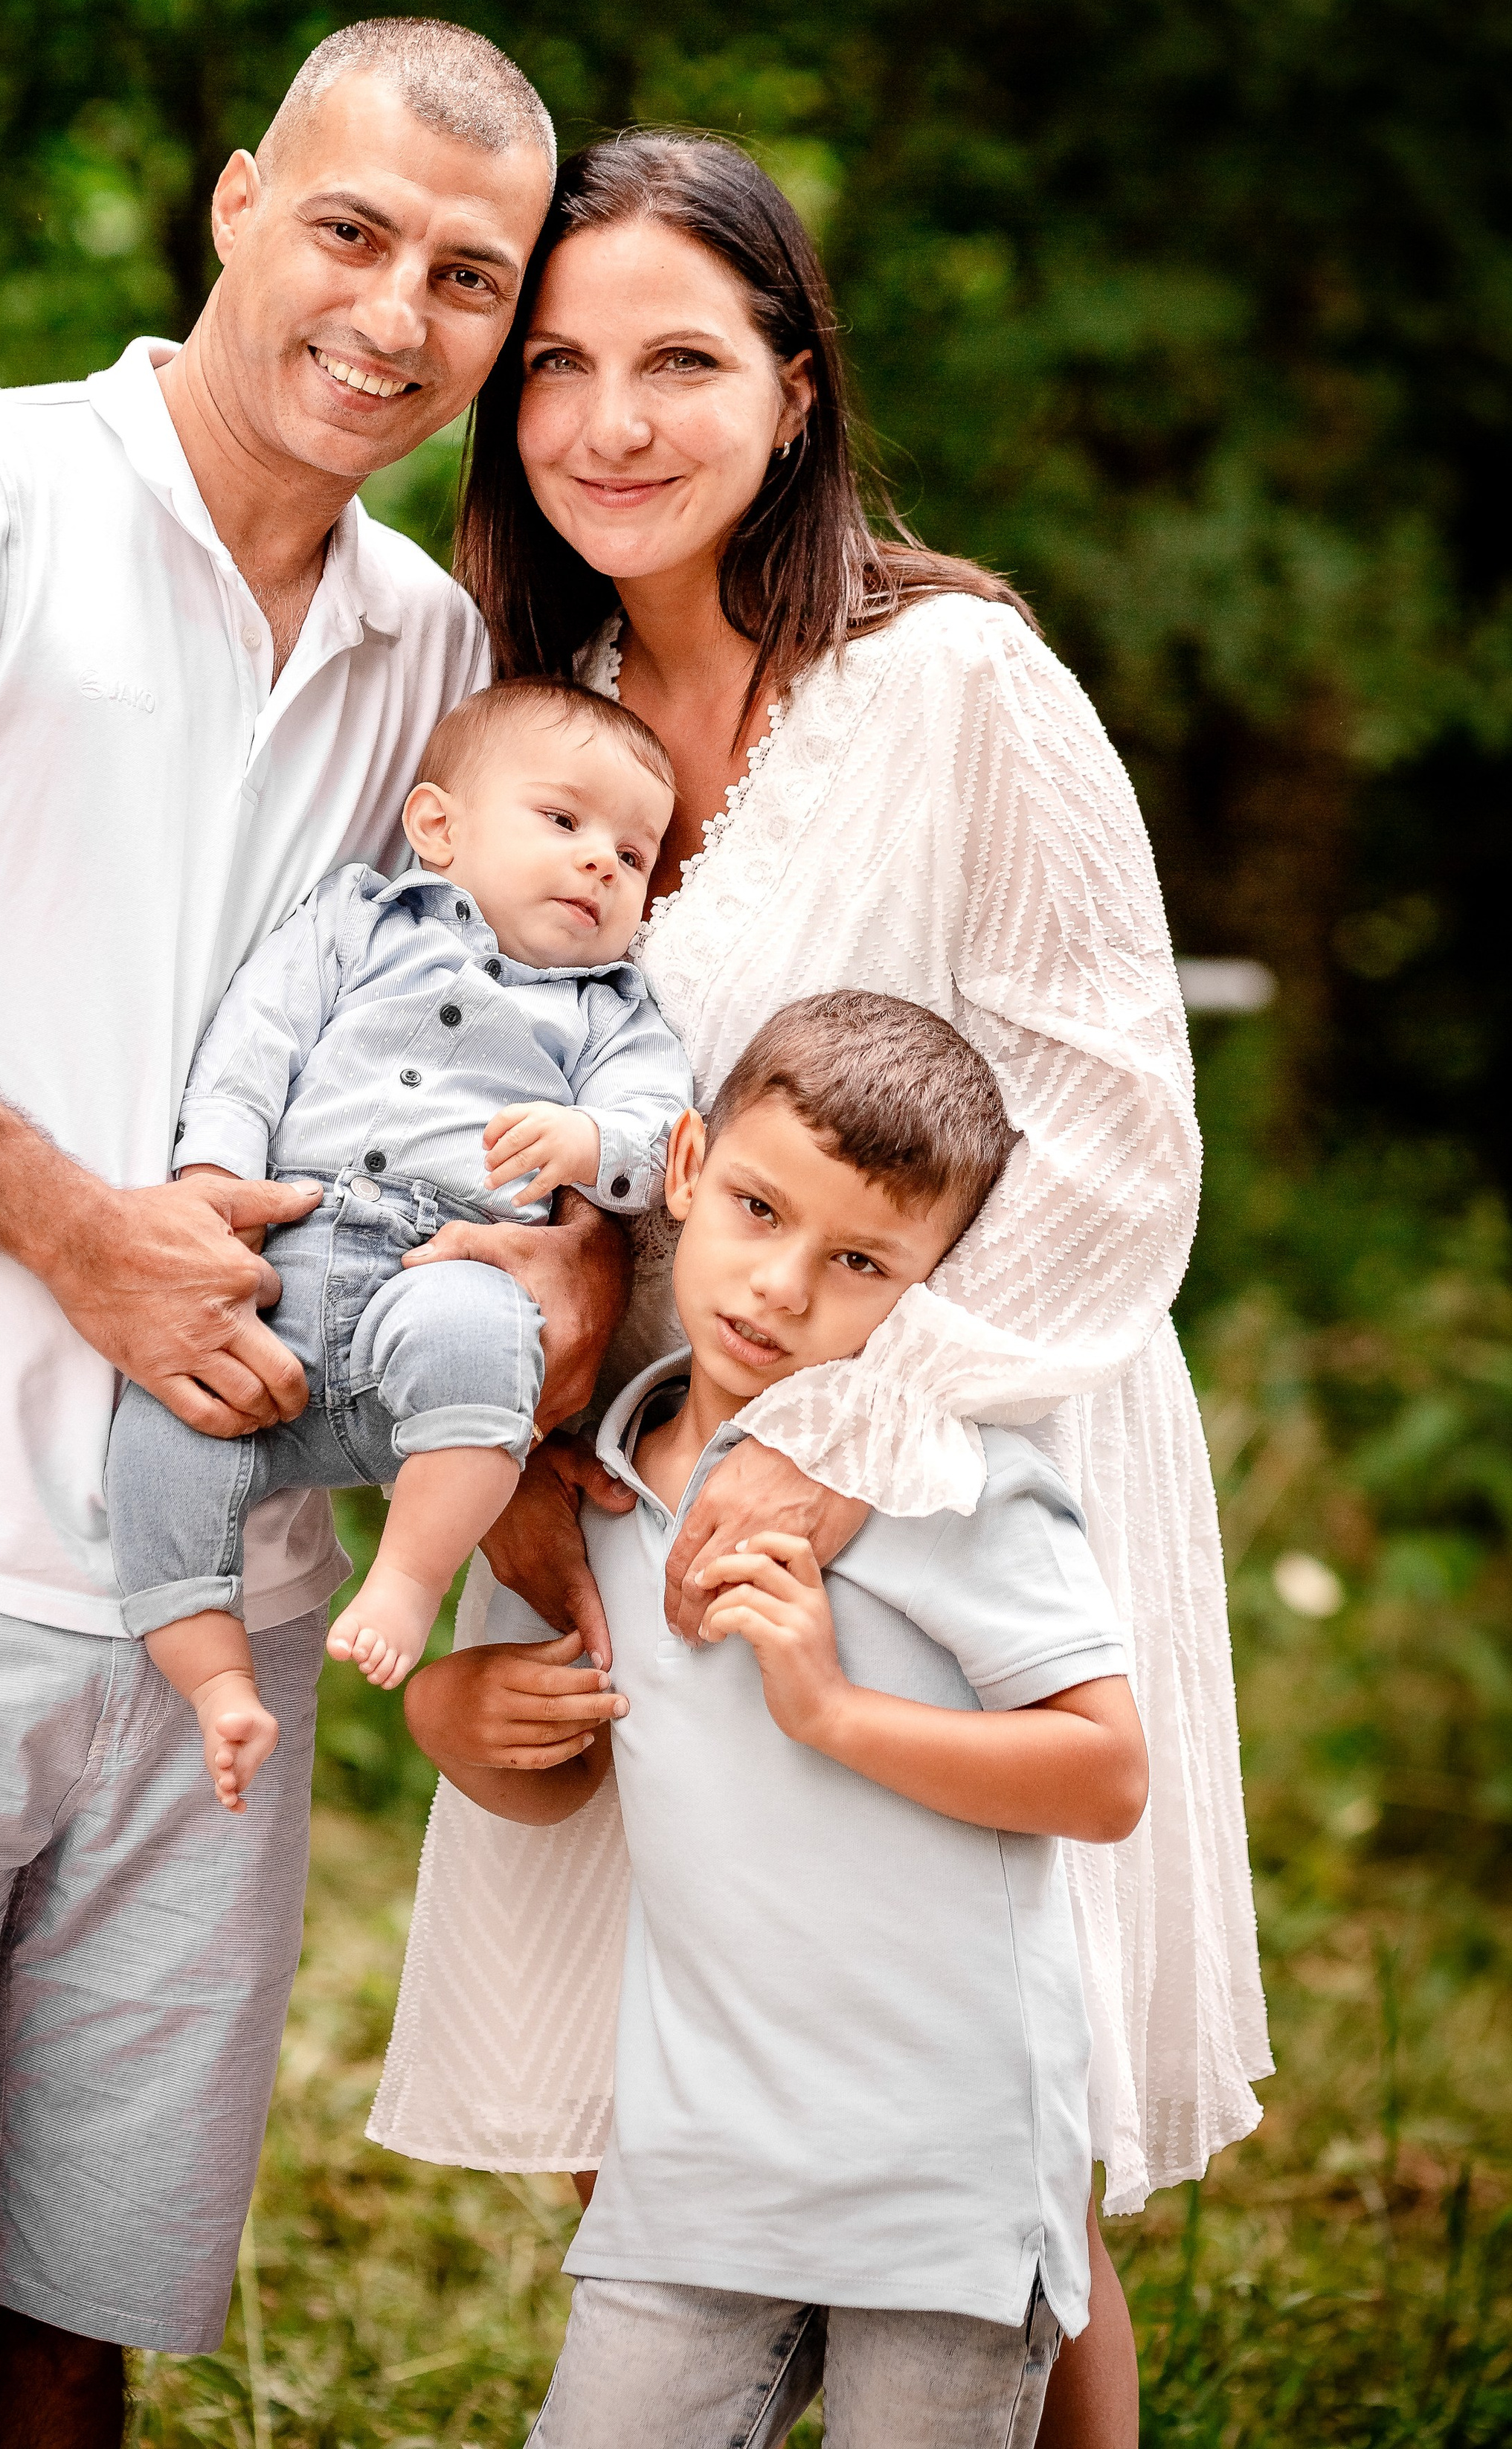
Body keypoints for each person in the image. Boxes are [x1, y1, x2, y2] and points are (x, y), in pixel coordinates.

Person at [0, 19, 634, 2449]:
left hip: (225, 1627)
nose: (396, 313)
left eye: (469, 278)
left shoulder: (430, 664)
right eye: (354, 230)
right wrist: (82, 1238)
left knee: (68, 2357)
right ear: (233, 204)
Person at [369, 132, 1269, 2449]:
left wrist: (841, 1471)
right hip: (639, 1471)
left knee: (971, 2163)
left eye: (681, 358)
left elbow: (1115, 1138)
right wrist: (542, 1522)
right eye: (557, 364)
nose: (608, 421)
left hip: (948, 1459)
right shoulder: (523, 720)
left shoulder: (960, 684)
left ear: (795, 383)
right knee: (655, 2109)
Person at [407, 994, 1149, 2449]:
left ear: (925, 1292)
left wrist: (831, 1709)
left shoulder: (945, 1480)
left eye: (859, 1261)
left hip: (939, 2182)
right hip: (692, 2174)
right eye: (755, 1209)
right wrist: (454, 1709)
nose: (781, 1288)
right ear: (680, 1169)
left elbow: (1105, 1774)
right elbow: (556, 1787)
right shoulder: (592, 1492)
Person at [104, 678, 691, 1796]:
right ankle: (215, 1680)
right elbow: (254, 1040)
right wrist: (214, 1178)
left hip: (440, 1277)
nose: (602, 864)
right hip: (276, 1267)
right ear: (438, 827)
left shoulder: (611, 1010)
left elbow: (660, 1138)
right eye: (564, 822)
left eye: (634, 853)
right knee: (164, 1425)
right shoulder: (360, 924)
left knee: (479, 1334)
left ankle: (409, 1580)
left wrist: (586, 1140)